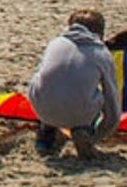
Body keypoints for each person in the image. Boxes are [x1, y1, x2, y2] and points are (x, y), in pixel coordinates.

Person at [25, 8, 120, 160]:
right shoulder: (101, 53)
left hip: (41, 107)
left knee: (50, 85)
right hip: (79, 113)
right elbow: (112, 99)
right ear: (101, 34)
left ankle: (45, 138)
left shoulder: (55, 43)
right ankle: (84, 131)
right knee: (97, 95)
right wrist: (101, 133)